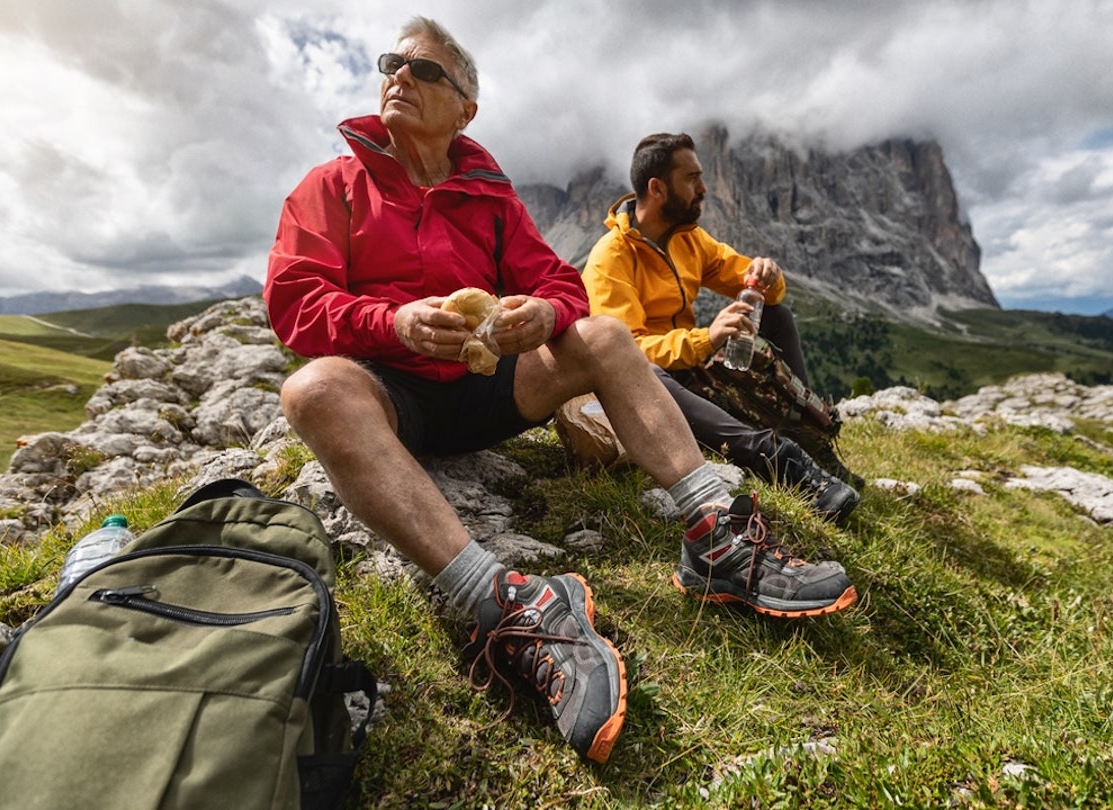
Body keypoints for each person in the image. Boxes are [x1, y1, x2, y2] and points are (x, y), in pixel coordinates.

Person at [265, 19, 858, 765]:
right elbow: (292, 304)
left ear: (465, 110)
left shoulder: (489, 196)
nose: (398, 77)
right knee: (313, 388)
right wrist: (393, 323)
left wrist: (544, 313)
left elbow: (557, 284)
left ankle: (716, 539)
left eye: (423, 70)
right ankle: (500, 599)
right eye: (391, 63)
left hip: (485, 396)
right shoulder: (332, 187)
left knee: (606, 335)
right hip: (387, 395)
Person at [584, 133, 861, 524]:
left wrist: (768, 276)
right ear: (657, 188)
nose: (704, 188)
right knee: (648, 374)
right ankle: (779, 459)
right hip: (651, 376)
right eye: (692, 178)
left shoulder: (690, 240)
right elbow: (627, 350)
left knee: (776, 314)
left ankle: (809, 437)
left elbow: (747, 279)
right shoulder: (609, 258)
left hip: (691, 362)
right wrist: (706, 339)